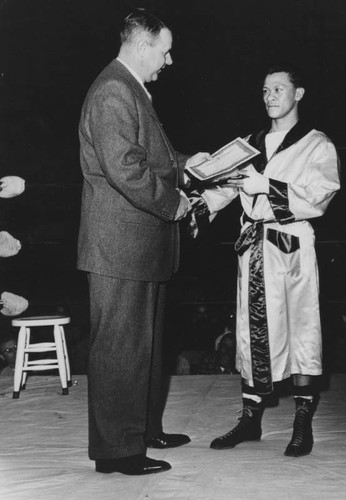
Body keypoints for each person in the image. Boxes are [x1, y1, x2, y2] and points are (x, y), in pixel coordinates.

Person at [77, 9, 209, 476]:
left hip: (138, 246)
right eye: (165, 50)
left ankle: (143, 430)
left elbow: (153, 155)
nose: (169, 60)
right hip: (120, 246)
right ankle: (118, 453)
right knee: (119, 347)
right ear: (141, 45)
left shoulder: (130, 88)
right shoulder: (115, 89)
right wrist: (173, 202)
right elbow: (126, 167)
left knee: (144, 346)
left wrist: (194, 163)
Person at [195, 64, 340, 457]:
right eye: (265, 89)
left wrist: (269, 186)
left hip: (291, 246)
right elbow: (221, 188)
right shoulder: (247, 144)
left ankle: (302, 422)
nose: (270, 95)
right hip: (254, 247)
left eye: (279, 88)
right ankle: (250, 419)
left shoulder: (317, 144)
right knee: (250, 329)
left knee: (300, 328)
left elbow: (321, 194)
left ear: (299, 94)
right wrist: (197, 198)